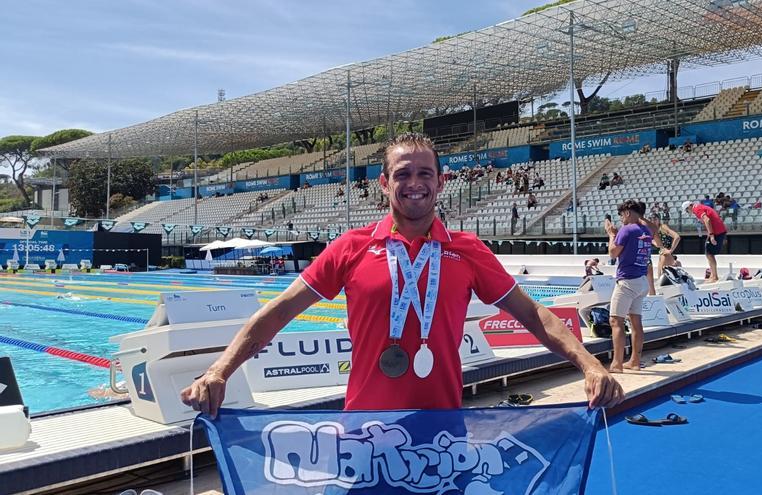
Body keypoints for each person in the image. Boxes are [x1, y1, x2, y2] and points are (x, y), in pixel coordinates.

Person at [180, 133, 624, 416]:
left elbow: (533, 315)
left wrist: (589, 364)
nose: (415, 182)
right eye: (403, 173)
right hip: (363, 428)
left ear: (441, 182)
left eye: (424, 173)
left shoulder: (467, 250)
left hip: (443, 428)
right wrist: (219, 371)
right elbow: (279, 312)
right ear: (385, 183)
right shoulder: (351, 248)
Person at [604, 200, 654, 373]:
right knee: (636, 322)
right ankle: (635, 361)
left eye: (621, 214)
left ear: (627, 212)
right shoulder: (646, 231)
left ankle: (617, 363)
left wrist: (611, 235)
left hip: (627, 281)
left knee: (615, 321)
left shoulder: (627, 230)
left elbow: (613, 253)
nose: (621, 218)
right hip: (641, 281)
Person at [683, 200, 727, 283]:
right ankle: (712, 275)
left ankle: (714, 276)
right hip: (719, 230)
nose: (688, 212)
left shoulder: (696, 209)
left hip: (717, 232)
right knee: (708, 252)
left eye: (687, 210)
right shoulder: (699, 207)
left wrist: (711, 235)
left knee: (709, 253)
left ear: (689, 206)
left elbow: (707, 220)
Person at [650, 214, 681, 279]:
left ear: (659, 220)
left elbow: (677, 237)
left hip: (666, 253)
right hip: (662, 253)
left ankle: (675, 263)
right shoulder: (652, 230)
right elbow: (658, 244)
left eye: (655, 219)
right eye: (651, 219)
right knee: (660, 277)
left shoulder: (663, 227)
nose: (653, 221)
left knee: (662, 276)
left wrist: (670, 250)